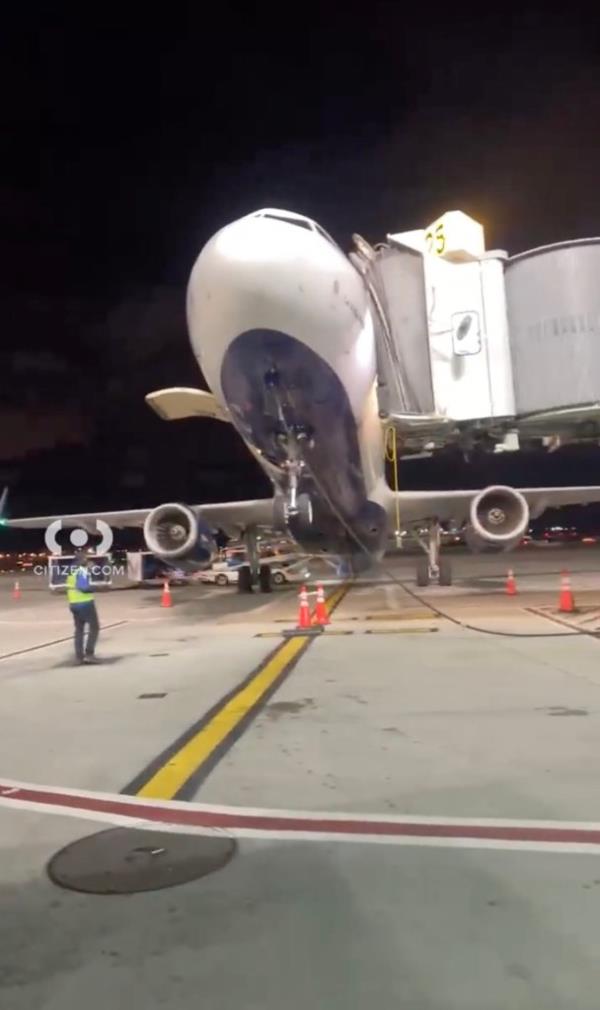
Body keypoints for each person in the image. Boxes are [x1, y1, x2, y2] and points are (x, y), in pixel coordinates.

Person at [66, 550, 100, 665]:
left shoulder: (71, 571)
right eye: (86, 558)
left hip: (73, 604)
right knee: (94, 627)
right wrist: (97, 588)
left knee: (79, 630)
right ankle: (89, 654)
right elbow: (83, 588)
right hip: (85, 603)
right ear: (83, 560)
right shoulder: (81, 571)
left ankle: (79, 656)